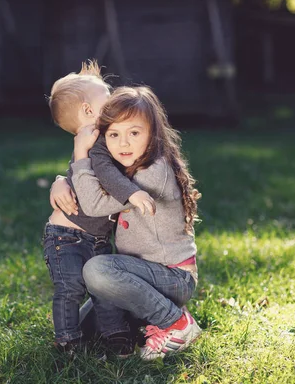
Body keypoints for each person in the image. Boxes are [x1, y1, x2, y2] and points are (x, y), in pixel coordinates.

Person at [69, 85, 203, 360]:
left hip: (173, 277)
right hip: (140, 275)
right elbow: (93, 184)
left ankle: (175, 322)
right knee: (80, 328)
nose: (124, 143)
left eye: (134, 133)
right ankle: (143, 321)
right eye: (114, 135)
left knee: (97, 270)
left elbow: (93, 203)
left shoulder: (152, 173)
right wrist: (61, 183)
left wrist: (80, 155)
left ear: (153, 133)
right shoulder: (126, 168)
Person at [43, 61, 155, 357]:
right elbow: (105, 174)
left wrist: (58, 180)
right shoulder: (93, 140)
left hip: (96, 237)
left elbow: (76, 173)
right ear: (88, 111)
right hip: (65, 236)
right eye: (107, 95)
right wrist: (132, 195)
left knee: (105, 289)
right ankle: (68, 340)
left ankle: (116, 335)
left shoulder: (95, 137)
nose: (114, 96)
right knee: (70, 288)